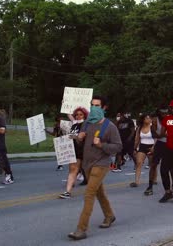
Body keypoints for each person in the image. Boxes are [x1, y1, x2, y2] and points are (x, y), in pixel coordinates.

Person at [68, 96, 122, 241]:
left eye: (97, 105)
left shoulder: (110, 127)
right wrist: (79, 138)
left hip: (101, 164)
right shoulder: (87, 124)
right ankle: (109, 215)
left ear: (104, 108)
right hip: (87, 164)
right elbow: (82, 145)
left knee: (89, 194)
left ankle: (81, 229)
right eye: (92, 105)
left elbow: (118, 147)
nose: (94, 108)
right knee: (99, 193)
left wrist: (101, 145)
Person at [59, 107, 88, 199]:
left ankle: (95, 188)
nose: (78, 116)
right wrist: (66, 103)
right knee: (73, 170)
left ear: (84, 115)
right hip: (74, 150)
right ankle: (68, 191)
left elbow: (81, 138)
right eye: (77, 114)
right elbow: (69, 115)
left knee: (88, 171)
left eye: (81, 114)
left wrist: (73, 137)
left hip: (85, 151)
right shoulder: (75, 124)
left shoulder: (86, 124)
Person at [145, 107, 169, 196]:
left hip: (169, 145)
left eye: (166, 113)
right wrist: (163, 135)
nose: (164, 115)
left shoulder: (170, 119)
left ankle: (172, 185)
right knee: (153, 165)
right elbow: (154, 134)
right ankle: (150, 186)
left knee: (169, 167)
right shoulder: (155, 120)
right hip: (160, 144)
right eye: (162, 113)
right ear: (159, 113)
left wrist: (162, 134)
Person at [131, 114, 155, 187]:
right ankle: (137, 182)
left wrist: (154, 147)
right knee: (139, 163)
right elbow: (137, 139)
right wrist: (135, 149)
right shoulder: (139, 128)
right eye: (147, 118)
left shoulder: (152, 127)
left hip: (151, 146)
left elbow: (157, 139)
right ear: (143, 120)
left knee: (152, 165)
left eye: (149, 118)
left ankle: (154, 179)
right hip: (142, 146)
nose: (149, 119)